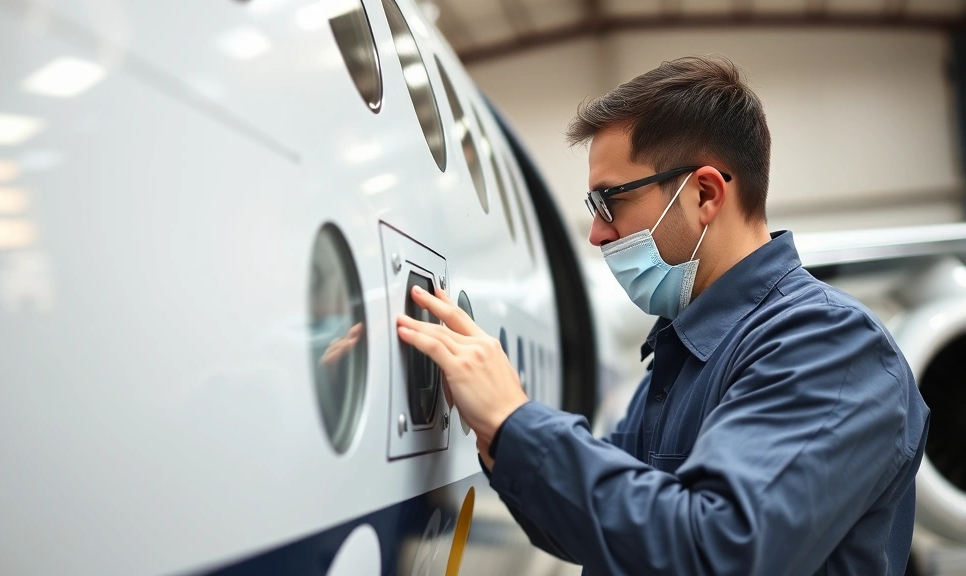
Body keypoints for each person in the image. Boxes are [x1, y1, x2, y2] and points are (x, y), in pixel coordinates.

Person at [396, 55, 930, 575]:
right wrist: (493, 429)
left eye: (610, 201)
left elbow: (719, 550)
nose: (597, 233)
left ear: (704, 193)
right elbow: (603, 526)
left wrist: (516, 422)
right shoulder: (685, 353)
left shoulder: (828, 346)